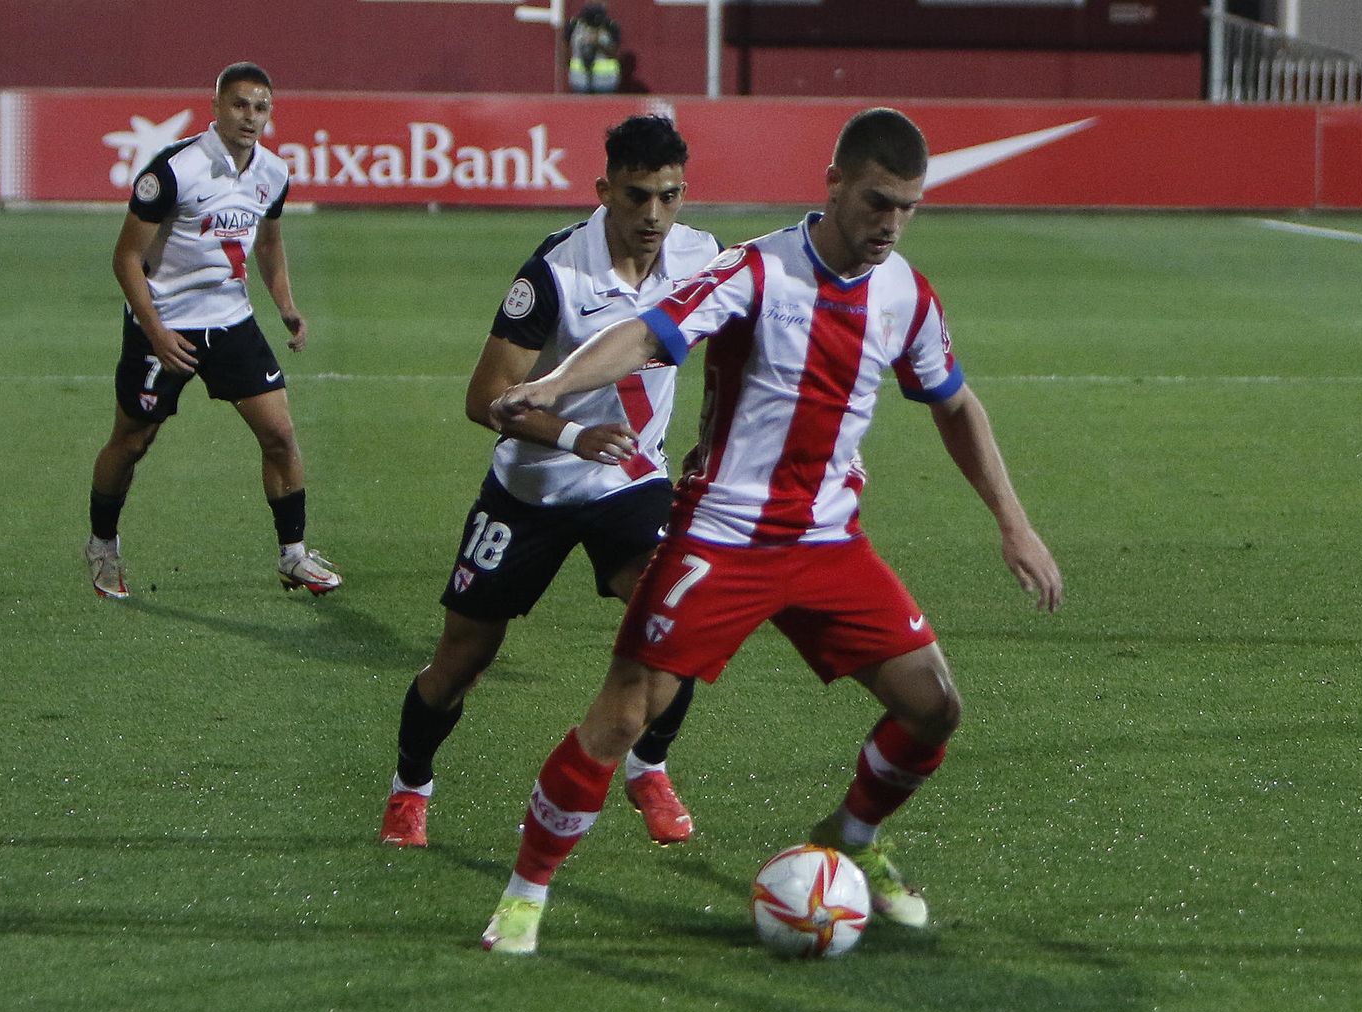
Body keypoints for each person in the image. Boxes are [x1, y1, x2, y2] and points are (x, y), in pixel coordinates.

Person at [480, 107, 1064, 954]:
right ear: (835, 184)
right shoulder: (756, 270)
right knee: (623, 716)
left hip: (828, 543)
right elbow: (646, 334)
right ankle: (523, 896)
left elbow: (955, 404)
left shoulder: (905, 294)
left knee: (933, 708)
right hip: (721, 537)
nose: (889, 224)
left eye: (906, 208)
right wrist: (554, 386)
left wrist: (1015, 524)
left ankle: (851, 838)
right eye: (876, 202)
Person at [377, 115, 721, 851]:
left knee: (678, 617)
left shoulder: (701, 257)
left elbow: (732, 348)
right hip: (531, 490)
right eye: (636, 196)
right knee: (463, 659)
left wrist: (713, 436)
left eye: (668, 196)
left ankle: (649, 767)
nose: (653, 215)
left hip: (631, 482)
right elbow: (485, 398)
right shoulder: (554, 274)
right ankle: (410, 786)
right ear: (604, 191)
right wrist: (572, 435)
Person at [85, 62, 339, 599]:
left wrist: (286, 305)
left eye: (260, 107)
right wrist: (155, 333)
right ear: (216, 107)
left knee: (280, 435)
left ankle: (293, 555)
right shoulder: (173, 170)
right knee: (132, 441)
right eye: (239, 104)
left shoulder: (273, 171)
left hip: (229, 321)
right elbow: (126, 258)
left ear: (270, 114)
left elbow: (268, 241)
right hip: (165, 324)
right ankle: (102, 545)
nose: (250, 116)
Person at [566, 2, 621, 94]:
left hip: (605, 80)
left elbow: (615, 53)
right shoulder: (574, 26)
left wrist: (598, 44)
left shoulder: (610, 27)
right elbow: (566, 51)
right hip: (580, 79)